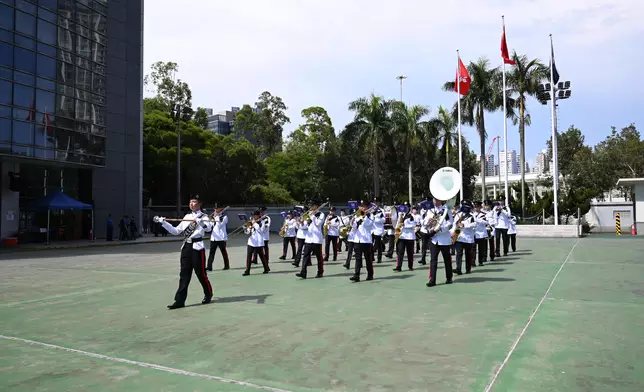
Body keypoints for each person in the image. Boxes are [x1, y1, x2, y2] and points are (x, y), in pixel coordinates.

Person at [158, 195, 214, 309]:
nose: (192, 204)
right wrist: (163, 222)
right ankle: (179, 301)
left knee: (201, 274)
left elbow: (209, 229)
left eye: (194, 202)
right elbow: (176, 231)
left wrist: (200, 222)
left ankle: (208, 294)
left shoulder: (204, 216)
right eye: (190, 202)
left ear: (199, 204)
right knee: (184, 275)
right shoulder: (187, 216)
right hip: (186, 247)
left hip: (197, 247)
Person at [426, 195, 454, 287]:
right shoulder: (430, 211)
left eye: (437, 199)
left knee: (447, 259)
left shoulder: (446, 210)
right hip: (434, 239)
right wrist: (428, 223)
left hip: (444, 239)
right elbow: (424, 222)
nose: (435, 201)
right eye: (434, 199)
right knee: (433, 260)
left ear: (440, 200)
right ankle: (432, 280)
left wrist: (440, 229)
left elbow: (450, 223)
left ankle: (449, 277)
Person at [296, 200, 325, 279]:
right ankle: (303, 272)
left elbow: (318, 224)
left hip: (316, 239)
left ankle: (320, 272)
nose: (311, 207)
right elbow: (306, 226)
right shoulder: (309, 213)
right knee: (305, 256)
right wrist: (301, 222)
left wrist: (313, 216)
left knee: (319, 257)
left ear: (316, 206)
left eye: (312, 205)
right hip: (308, 238)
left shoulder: (321, 214)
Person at [350, 200, 375, 282]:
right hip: (358, 240)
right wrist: (354, 222)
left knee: (368, 259)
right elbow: (353, 228)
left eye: (363, 206)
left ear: (367, 207)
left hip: (367, 241)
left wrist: (364, 218)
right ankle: (356, 275)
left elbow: (369, 226)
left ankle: (370, 274)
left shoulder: (370, 215)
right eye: (360, 206)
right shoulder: (357, 215)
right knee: (358, 259)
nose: (361, 207)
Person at [451, 200, 476, 275]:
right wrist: (452, 232)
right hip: (459, 236)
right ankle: (458, 269)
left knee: (468, 254)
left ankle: (468, 269)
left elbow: (474, 224)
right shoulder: (458, 214)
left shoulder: (472, 215)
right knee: (459, 253)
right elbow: (454, 224)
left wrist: (465, 225)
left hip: (468, 238)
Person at [243, 209, 270, 276]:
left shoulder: (262, 222)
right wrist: (246, 229)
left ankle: (266, 268)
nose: (254, 217)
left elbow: (261, 231)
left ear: (258, 216)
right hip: (251, 241)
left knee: (262, 256)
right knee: (249, 257)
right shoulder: (252, 222)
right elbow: (248, 232)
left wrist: (254, 224)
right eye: (253, 215)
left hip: (258, 242)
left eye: (255, 215)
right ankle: (247, 271)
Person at [393, 202, 415, 271]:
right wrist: (396, 234)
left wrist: (405, 225)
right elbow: (396, 225)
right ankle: (398, 266)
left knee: (410, 253)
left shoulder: (411, 216)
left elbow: (413, 225)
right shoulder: (400, 215)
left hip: (409, 237)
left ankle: (410, 266)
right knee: (400, 252)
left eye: (407, 207)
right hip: (401, 236)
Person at [207, 204, 230, 271]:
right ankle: (209, 266)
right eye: (215, 208)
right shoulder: (213, 216)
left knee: (223, 252)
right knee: (211, 253)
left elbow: (219, 226)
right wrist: (211, 219)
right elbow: (210, 226)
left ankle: (226, 265)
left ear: (220, 209)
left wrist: (216, 218)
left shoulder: (224, 217)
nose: (215, 210)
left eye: (216, 208)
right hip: (214, 237)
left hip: (221, 238)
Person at [473, 201, 489, 266]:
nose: (476, 208)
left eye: (478, 207)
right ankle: (473, 262)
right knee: (473, 249)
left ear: (480, 207)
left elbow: (486, 222)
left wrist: (477, 220)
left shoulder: (483, 214)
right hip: (474, 233)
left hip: (481, 234)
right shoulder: (472, 214)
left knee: (481, 249)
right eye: (475, 207)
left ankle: (480, 261)